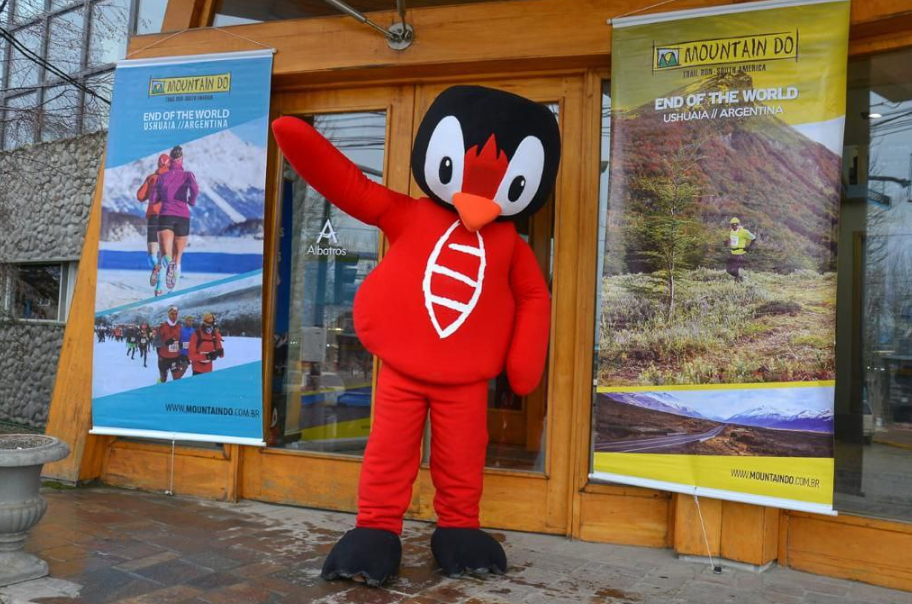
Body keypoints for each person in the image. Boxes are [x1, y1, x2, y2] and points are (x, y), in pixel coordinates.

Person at [151, 145, 198, 292]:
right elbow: (195, 189)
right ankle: (173, 291)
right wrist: (191, 200)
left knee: (166, 254)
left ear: (170, 160)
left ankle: (168, 263)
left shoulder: (162, 177)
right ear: (181, 160)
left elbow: (153, 198)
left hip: (165, 215)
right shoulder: (188, 175)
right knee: (178, 258)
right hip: (183, 217)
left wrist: (160, 197)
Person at [137, 154, 171, 296]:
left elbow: (140, 196)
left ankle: (157, 279)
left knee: (152, 254)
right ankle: (169, 269)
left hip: (153, 217)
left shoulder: (151, 178)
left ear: (158, 164)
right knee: (165, 254)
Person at [153, 305, 187, 382]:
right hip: (163, 359)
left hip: (175, 358)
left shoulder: (179, 327)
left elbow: (180, 341)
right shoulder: (162, 327)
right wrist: (165, 343)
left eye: (176, 314)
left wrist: (180, 346)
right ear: (168, 314)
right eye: (172, 314)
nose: (174, 316)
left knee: (177, 379)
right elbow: (154, 343)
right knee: (163, 380)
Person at [726, 217, 756, 282]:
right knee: (728, 270)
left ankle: (738, 282)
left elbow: (753, 238)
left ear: (738, 224)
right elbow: (731, 239)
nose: (733, 227)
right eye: (732, 225)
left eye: (735, 225)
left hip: (740, 254)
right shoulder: (731, 231)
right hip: (732, 253)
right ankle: (740, 278)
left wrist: (750, 246)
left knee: (734, 270)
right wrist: (727, 243)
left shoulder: (744, 232)